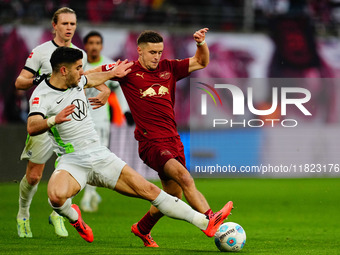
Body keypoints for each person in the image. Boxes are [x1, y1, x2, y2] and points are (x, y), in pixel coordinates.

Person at [26, 46, 233, 243]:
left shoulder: (77, 81)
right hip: (71, 160)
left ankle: (204, 222)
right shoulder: (42, 95)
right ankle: (74, 217)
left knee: (151, 191)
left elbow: (93, 77)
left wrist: (111, 77)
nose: (82, 72)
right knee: (56, 197)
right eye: (78, 68)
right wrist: (54, 119)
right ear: (63, 70)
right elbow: (32, 126)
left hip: (100, 156)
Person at [90, 28, 228, 247]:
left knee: (172, 195)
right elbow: (88, 75)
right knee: (185, 177)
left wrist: (201, 43)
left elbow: (201, 62)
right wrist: (105, 85)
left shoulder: (169, 68)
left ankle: (142, 228)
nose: (157, 56)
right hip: (150, 143)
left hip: (173, 139)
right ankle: (210, 218)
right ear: (140, 51)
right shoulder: (126, 69)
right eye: (152, 52)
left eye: (159, 52)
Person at [15, 7, 110, 238]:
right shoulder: (40, 52)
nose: (69, 28)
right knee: (34, 176)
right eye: (65, 23)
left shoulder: (80, 53)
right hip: (45, 119)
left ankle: (57, 215)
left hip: (69, 123)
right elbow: (20, 82)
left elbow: (84, 78)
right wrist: (41, 78)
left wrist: (105, 89)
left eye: (73, 24)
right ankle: (23, 214)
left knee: (76, 169)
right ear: (54, 25)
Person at [80, 31, 132, 212]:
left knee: (95, 159)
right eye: (91, 43)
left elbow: (118, 89)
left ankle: (89, 195)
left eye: (97, 43)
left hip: (100, 121)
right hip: (77, 121)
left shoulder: (108, 64)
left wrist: (126, 112)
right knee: (79, 158)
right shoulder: (78, 64)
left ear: (101, 46)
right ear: (86, 46)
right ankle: (87, 193)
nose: (94, 46)